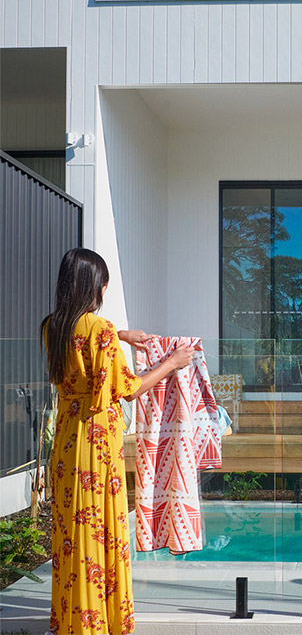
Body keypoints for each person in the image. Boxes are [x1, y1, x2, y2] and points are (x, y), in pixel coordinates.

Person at [41, 248, 194, 635]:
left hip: (65, 443)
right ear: (96, 286)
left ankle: (72, 619)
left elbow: (81, 337)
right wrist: (171, 363)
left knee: (71, 531)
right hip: (96, 444)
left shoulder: (51, 326)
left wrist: (123, 335)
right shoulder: (101, 331)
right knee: (98, 528)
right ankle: (100, 622)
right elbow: (128, 388)